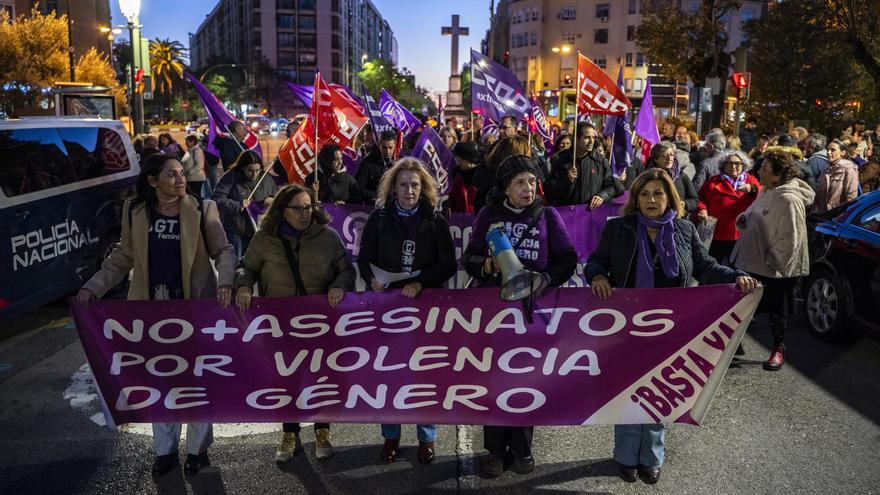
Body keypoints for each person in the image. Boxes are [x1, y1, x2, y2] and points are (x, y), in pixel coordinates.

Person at [586, 168, 758, 485]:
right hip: (627, 327)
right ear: (636, 199)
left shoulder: (684, 229)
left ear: (670, 197)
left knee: (657, 393)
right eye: (645, 194)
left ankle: (651, 457)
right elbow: (596, 261)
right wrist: (597, 276)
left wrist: (736, 277)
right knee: (628, 393)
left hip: (672, 329)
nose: (652, 200)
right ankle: (625, 456)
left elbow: (706, 267)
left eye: (658, 193)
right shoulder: (619, 229)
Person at [75, 153, 236, 477]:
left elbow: (224, 251)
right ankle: (165, 453)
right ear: (152, 181)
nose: (180, 179)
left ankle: (197, 452)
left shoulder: (203, 209)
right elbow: (124, 255)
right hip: (151, 315)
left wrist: (227, 283)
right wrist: (94, 287)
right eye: (172, 175)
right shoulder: (135, 211)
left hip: (195, 311)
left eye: (181, 173)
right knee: (162, 382)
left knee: (196, 383)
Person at [464, 155, 577, 477]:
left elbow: (567, 259)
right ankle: (495, 451)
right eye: (519, 183)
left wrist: (547, 278)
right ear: (505, 188)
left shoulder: (548, 215)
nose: (527, 188)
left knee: (527, 378)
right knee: (494, 380)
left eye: (531, 181)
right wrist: (485, 266)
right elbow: (468, 257)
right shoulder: (489, 214)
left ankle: (523, 448)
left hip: (532, 313)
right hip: (494, 313)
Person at [233, 183, 355, 463]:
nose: (304, 213)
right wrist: (243, 285)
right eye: (297, 208)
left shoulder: (328, 237)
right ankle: (290, 433)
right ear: (282, 211)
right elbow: (246, 266)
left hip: (321, 325)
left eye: (308, 207)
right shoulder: (265, 239)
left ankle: (322, 431)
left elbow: (346, 269)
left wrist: (339, 284)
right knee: (286, 380)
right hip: (280, 326)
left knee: (321, 378)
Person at [356, 158, 456, 465]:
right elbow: (364, 258)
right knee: (390, 373)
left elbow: (448, 265)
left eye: (415, 184)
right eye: (403, 185)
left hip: (423, 308)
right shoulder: (379, 219)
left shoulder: (435, 220)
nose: (409, 190)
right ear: (393, 188)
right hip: (387, 308)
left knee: (423, 373)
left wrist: (420, 283)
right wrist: (371, 279)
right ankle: (391, 437)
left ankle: (427, 438)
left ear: (423, 187)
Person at [731, 150, 813, 371]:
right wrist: (744, 219)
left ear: (777, 176)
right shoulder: (766, 191)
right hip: (753, 262)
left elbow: (792, 238)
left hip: (775, 269)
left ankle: (778, 348)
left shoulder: (789, 199)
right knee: (746, 307)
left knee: (777, 311)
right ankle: (731, 347)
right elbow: (753, 213)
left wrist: (774, 260)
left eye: (764, 169)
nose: (759, 171)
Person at [696, 150, 760, 263]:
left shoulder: (750, 180)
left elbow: (761, 195)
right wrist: (702, 209)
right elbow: (701, 199)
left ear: (743, 165)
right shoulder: (713, 181)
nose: (733, 166)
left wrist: (751, 189)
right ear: (723, 165)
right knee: (714, 267)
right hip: (718, 233)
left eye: (737, 163)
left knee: (740, 269)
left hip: (741, 234)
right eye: (729, 163)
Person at [213, 150, 278, 258]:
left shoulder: (265, 178)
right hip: (236, 230)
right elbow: (217, 199)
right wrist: (238, 205)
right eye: (250, 171)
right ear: (242, 167)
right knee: (236, 263)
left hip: (259, 231)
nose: (254, 174)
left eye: (258, 170)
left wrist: (273, 198)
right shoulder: (231, 177)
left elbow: (277, 195)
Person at [545, 122, 624, 207]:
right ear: (576, 139)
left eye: (593, 137)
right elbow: (549, 193)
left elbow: (612, 187)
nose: (591, 141)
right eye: (586, 137)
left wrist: (602, 196)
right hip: (568, 216)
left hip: (591, 214)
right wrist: (566, 180)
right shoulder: (561, 160)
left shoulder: (600, 161)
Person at [645, 141, 699, 214]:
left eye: (671, 155)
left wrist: (685, 204)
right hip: (653, 219)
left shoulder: (681, 176)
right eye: (664, 155)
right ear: (656, 159)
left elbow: (694, 199)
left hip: (677, 219)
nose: (669, 159)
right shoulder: (646, 177)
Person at [812, 139, 859, 213]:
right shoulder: (826, 170)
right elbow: (818, 197)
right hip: (822, 216)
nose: (828, 152)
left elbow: (851, 198)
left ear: (843, 153)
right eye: (828, 150)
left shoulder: (849, 170)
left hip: (837, 217)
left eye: (833, 150)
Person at [355, 130, 397, 204]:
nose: (387, 151)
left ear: (395, 145)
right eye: (384, 148)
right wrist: (376, 196)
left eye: (390, 148)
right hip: (373, 206)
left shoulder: (398, 162)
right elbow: (358, 188)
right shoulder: (368, 162)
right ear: (379, 144)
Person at [447, 140, 481, 213]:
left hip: (476, 219)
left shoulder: (482, 176)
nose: (456, 160)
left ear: (465, 159)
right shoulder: (456, 175)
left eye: (458, 158)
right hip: (458, 220)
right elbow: (452, 199)